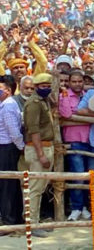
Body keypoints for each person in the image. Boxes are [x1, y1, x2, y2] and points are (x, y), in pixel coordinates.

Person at [23, 73, 55, 238]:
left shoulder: (44, 101)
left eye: (48, 86)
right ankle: (32, 224)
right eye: (43, 86)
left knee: (40, 187)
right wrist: (41, 154)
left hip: (45, 146)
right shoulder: (34, 104)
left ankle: (34, 220)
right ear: (36, 87)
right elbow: (33, 130)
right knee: (35, 188)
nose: (46, 89)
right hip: (38, 148)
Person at [59, 69, 92, 221]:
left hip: (90, 140)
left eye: (80, 81)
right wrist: (83, 113)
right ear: (69, 83)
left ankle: (84, 207)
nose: (77, 84)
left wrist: (77, 114)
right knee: (78, 175)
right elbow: (66, 114)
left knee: (88, 176)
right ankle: (76, 208)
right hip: (74, 140)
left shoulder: (88, 96)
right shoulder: (64, 96)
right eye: (74, 81)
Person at [0, 76, 23, 227]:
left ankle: (9, 220)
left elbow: (14, 132)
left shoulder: (8, 106)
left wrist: (21, 147)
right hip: (6, 148)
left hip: (7, 148)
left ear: (8, 90)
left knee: (7, 185)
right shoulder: (5, 104)